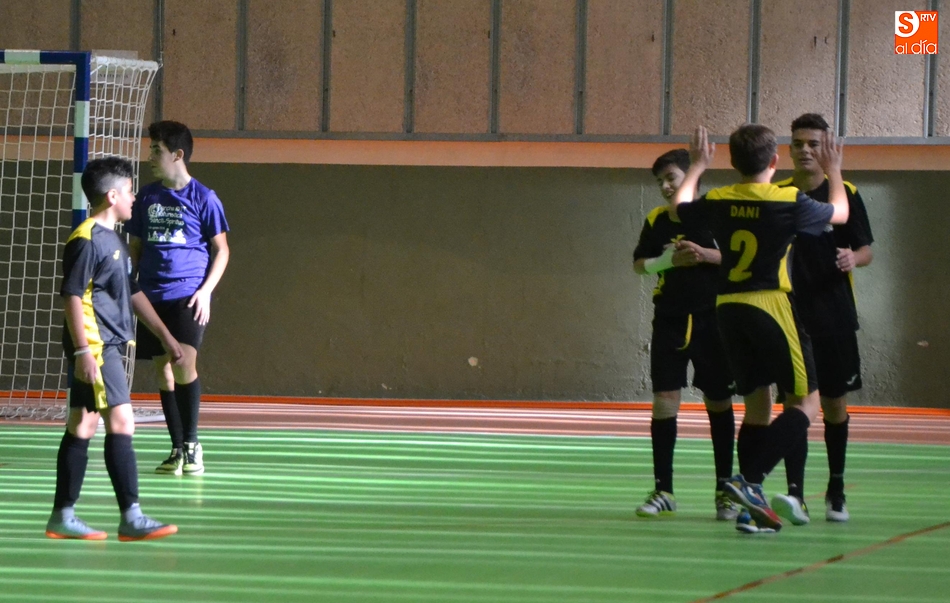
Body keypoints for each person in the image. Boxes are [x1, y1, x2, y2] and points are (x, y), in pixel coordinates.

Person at [671, 124, 849, 533]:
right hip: (770, 303)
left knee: (757, 407)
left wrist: (697, 166)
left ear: (732, 162)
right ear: (774, 161)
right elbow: (840, 213)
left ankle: (751, 515)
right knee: (807, 402)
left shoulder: (720, 198)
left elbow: (679, 205)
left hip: (728, 307)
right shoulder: (786, 199)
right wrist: (834, 170)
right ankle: (748, 481)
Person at [46, 156, 182, 541]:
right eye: (129, 191)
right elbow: (72, 296)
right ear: (112, 196)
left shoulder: (113, 238)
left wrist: (166, 336)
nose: (134, 197)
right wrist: (82, 352)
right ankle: (131, 517)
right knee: (122, 423)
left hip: (102, 344)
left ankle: (62, 517)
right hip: (96, 345)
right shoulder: (86, 239)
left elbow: (132, 291)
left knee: (83, 424)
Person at [770, 113, 874, 525]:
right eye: (798, 143)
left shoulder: (845, 193)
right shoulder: (778, 194)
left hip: (834, 316)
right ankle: (795, 493)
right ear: (789, 149)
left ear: (827, 148)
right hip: (789, 316)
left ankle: (836, 489)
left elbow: (866, 250)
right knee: (795, 404)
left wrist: (853, 258)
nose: (805, 150)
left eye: (813, 143)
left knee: (834, 404)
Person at [632, 149, 738, 521]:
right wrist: (667, 261)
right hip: (670, 320)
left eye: (671, 178)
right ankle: (664, 490)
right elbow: (639, 265)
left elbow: (741, 259)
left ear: (690, 177)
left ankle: (725, 491)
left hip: (713, 320)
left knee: (719, 401)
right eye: (660, 181)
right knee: (664, 401)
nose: (665, 186)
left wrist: (707, 255)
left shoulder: (716, 214)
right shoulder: (656, 219)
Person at [127, 121, 230, 477]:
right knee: (163, 369)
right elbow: (136, 246)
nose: (150, 156)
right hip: (151, 296)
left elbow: (222, 250)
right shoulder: (146, 197)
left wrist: (206, 291)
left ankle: (192, 444)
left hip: (187, 295)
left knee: (183, 361)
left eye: (156, 150)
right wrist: (131, 285)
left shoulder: (204, 197)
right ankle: (175, 448)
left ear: (177, 154)